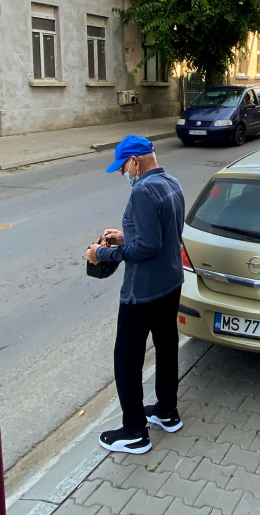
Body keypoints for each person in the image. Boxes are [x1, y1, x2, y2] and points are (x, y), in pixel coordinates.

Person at [85, 135, 186, 454]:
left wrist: (103, 254)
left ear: (135, 162)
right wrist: (124, 235)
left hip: (142, 292)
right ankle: (167, 412)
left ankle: (134, 432)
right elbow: (160, 232)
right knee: (167, 346)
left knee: (127, 360)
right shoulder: (171, 183)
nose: (122, 174)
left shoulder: (142, 191)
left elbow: (146, 246)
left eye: (122, 168)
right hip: (170, 281)